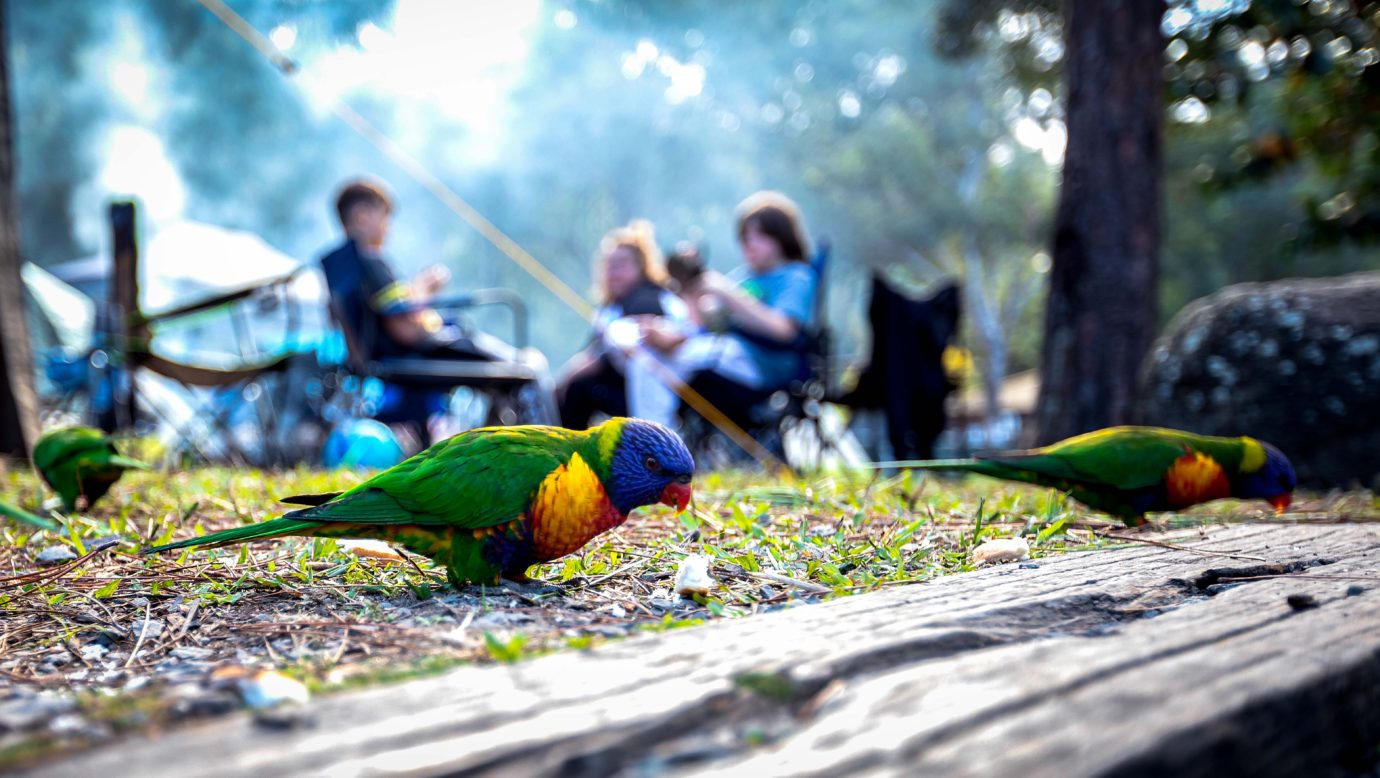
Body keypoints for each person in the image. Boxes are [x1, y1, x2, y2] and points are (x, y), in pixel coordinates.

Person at [319, 178, 555, 439]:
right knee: (530, 368)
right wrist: (424, 288)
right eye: (384, 217)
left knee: (512, 370)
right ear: (362, 216)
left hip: (384, 359)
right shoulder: (371, 262)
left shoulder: (336, 264)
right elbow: (405, 329)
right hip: (419, 355)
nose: (388, 228)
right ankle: (550, 449)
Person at [674, 191, 817, 431]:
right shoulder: (742, 277)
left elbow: (784, 330)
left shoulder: (795, 276)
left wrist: (728, 295)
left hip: (769, 363)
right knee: (672, 359)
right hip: (726, 358)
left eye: (759, 235)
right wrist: (691, 288)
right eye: (745, 236)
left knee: (684, 362)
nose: (749, 243)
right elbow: (705, 322)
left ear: (781, 237)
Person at [557, 221, 692, 429]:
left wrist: (569, 378)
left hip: (651, 398)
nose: (613, 272)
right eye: (609, 265)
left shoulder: (647, 298)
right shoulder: (611, 307)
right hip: (626, 389)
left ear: (642, 266)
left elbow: (626, 344)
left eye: (621, 265)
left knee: (579, 387)